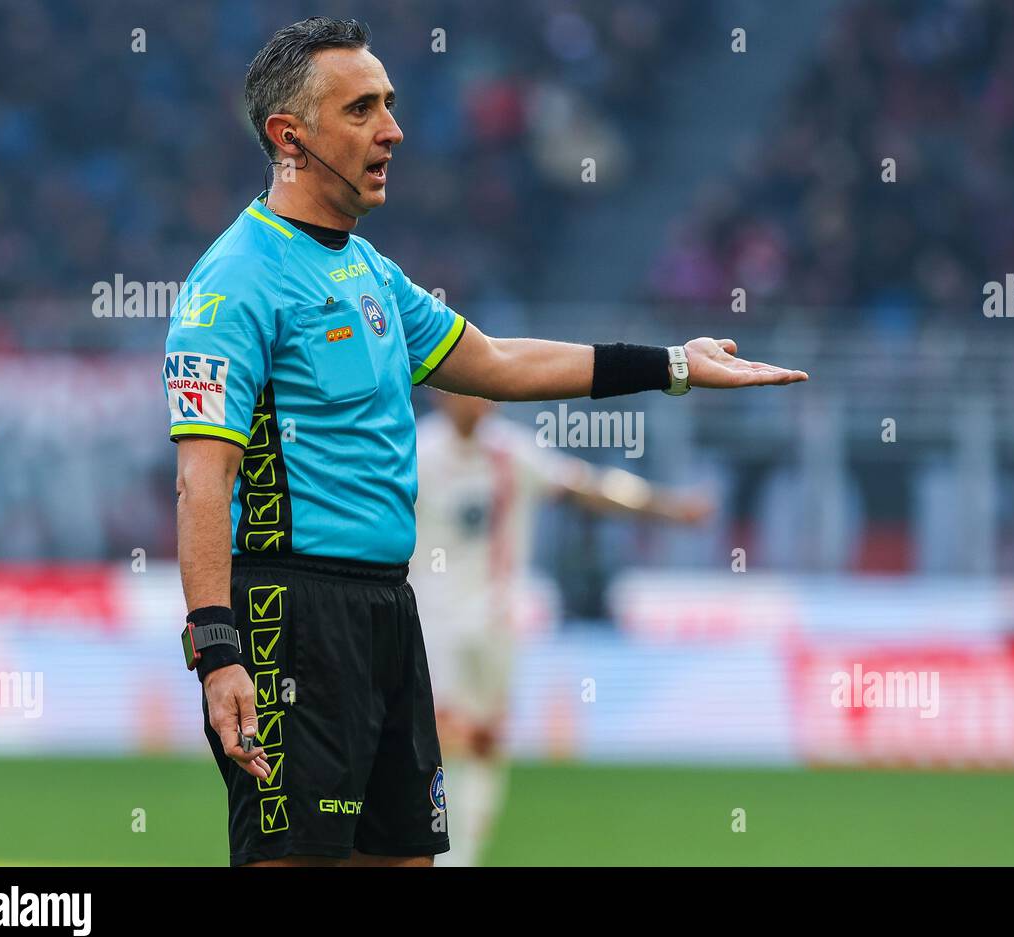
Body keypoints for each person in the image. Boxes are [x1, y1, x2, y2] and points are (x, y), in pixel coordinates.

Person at [164, 16, 807, 868]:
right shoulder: (234, 282)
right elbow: (202, 483)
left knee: (407, 858)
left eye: (389, 105)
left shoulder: (368, 272)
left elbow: (496, 362)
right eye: (361, 110)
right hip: (291, 612)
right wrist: (217, 652)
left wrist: (672, 365)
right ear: (291, 137)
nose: (392, 129)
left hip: (388, 611)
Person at [413, 392, 713, 866]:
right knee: (438, 744)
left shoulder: (513, 452)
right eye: (463, 386)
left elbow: (591, 488)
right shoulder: (416, 453)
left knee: (485, 744)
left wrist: (669, 508)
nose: (477, 398)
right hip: (430, 629)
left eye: (482, 387)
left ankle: (463, 855)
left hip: (494, 627)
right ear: (438, 393)